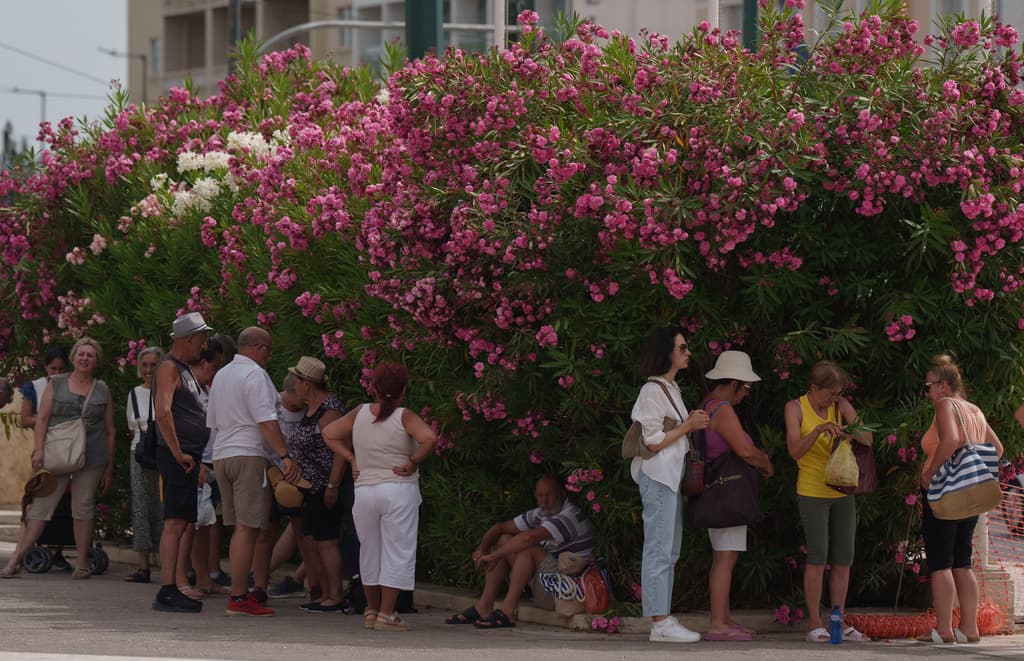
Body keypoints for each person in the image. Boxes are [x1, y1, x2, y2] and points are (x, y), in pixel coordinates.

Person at [323, 362, 437, 631]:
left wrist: (352, 458)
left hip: (365, 491)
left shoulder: (360, 413)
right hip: (398, 489)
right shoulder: (404, 416)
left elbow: (329, 433)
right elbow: (429, 438)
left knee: (370, 551)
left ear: (374, 388)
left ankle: (371, 611)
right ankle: (388, 614)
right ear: (403, 390)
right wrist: (412, 461)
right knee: (397, 551)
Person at [1, 337, 115, 579]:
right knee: (41, 507)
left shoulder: (102, 389)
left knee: (82, 507)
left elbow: (110, 430)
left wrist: (109, 467)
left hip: (92, 455)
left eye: (90, 355)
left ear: (96, 361)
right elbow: (41, 418)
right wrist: (39, 450)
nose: (85, 358)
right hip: (57, 452)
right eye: (81, 354)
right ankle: (15, 561)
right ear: (74, 357)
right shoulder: (57, 382)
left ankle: (82, 564)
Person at [207, 326, 299, 617]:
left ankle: (240, 593)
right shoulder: (255, 375)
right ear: (259, 348)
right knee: (248, 529)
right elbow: (267, 421)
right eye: (268, 351)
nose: (268, 357)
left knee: (239, 529)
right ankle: (238, 597)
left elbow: (212, 420)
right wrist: (284, 456)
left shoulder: (221, 374)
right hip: (248, 454)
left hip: (222, 454)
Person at [917, 355, 1004, 644]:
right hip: (969, 496)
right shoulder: (974, 409)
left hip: (945, 492)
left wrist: (931, 472)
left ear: (942, 386)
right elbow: (997, 448)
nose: (927, 392)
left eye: (928, 386)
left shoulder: (945, 406)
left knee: (941, 562)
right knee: (963, 562)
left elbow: (951, 440)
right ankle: (969, 627)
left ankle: (943, 629)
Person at [783, 360, 872, 643]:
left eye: (837, 394)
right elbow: (795, 450)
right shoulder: (795, 407)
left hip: (842, 489)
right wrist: (819, 430)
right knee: (817, 556)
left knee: (843, 557)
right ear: (814, 388)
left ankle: (839, 619)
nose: (833, 399)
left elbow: (868, 438)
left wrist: (846, 431)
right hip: (812, 490)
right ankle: (813, 622)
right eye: (829, 394)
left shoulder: (840, 405)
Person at [630, 326, 709, 644]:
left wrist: (686, 423)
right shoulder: (652, 391)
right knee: (659, 550)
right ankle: (659, 622)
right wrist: (688, 425)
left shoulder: (669, 388)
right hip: (659, 477)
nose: (688, 352)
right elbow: (651, 442)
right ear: (667, 353)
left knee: (668, 550)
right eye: (683, 347)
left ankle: (662, 616)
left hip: (669, 480)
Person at [444, 475, 594, 628]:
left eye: (550, 494)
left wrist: (493, 556)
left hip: (566, 594)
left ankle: (508, 611)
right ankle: (483, 606)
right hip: (546, 585)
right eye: (540, 495)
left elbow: (528, 538)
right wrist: (482, 549)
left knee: (528, 548)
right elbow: (500, 528)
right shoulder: (541, 514)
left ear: (562, 494)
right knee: (503, 541)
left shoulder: (569, 515)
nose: (545, 500)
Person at [697, 351, 773, 642]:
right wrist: (766, 462)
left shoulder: (706, 405)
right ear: (734, 384)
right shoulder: (723, 409)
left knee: (722, 556)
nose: (746, 393)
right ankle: (718, 623)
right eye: (746, 387)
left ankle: (724, 619)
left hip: (715, 491)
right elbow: (743, 449)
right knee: (725, 559)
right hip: (728, 491)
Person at [151, 313, 212, 612]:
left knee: (183, 520)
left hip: (188, 456)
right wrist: (177, 452)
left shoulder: (184, 369)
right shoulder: (168, 368)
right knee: (175, 521)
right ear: (188, 339)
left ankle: (172, 587)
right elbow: (163, 411)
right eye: (202, 339)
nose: (205, 344)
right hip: (178, 456)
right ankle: (167, 589)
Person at [283, 356, 346, 612]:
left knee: (325, 540)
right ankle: (324, 592)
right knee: (313, 540)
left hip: (323, 485)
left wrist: (333, 485)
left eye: (297, 381)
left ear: (307, 384)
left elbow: (341, 449)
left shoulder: (328, 410)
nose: (294, 386)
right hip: (310, 487)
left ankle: (334, 594)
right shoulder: (310, 409)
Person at [189, 334, 236, 597]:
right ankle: (190, 579)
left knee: (209, 522)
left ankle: (206, 577)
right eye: (217, 366)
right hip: (200, 460)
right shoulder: (191, 386)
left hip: (216, 457)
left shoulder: (211, 387)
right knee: (194, 524)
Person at [124, 346, 165, 583]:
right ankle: (143, 567)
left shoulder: (168, 390)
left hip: (164, 452)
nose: (149, 370)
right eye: (145, 365)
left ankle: (168, 565)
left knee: (164, 507)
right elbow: (133, 429)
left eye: (153, 365)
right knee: (141, 507)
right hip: (139, 454)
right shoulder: (133, 394)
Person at [18, 346, 68, 429]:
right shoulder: (34, 387)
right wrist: (47, 421)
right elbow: (25, 420)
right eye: (53, 368)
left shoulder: (73, 386)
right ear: (46, 366)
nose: (57, 373)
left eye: (61, 369)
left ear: (66, 367)